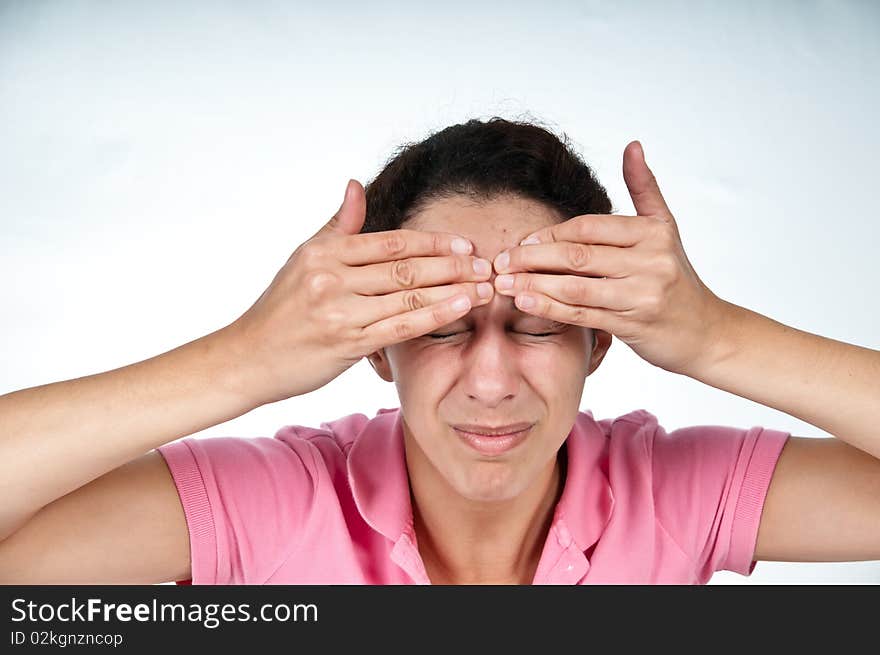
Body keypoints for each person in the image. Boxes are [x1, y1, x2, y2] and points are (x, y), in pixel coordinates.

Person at [1, 117, 878, 585]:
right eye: (440, 326)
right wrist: (245, 359)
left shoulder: (676, 496)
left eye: (535, 325)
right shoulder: (275, 505)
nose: (492, 382)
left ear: (600, 340)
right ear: (378, 347)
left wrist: (718, 334)